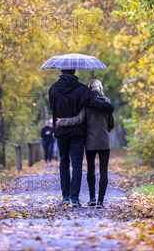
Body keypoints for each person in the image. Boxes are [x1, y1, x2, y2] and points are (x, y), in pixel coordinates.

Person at [49, 69, 114, 207]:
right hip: (77, 134)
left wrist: (60, 121)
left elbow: (52, 109)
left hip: (61, 131)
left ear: (61, 70)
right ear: (74, 71)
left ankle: (65, 196)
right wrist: (109, 106)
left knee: (64, 162)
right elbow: (96, 103)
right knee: (76, 164)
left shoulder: (53, 89)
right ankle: (74, 198)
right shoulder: (82, 90)